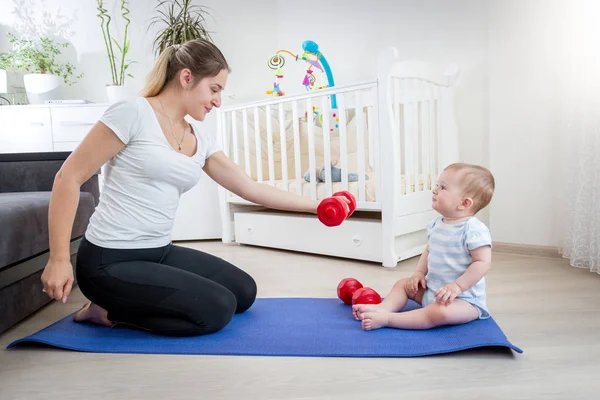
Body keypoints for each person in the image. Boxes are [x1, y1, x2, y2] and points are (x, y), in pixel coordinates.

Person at [40, 39, 348, 337]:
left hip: (158, 252)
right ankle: (107, 310)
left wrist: (317, 206)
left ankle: (122, 301)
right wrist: (58, 259)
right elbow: (69, 177)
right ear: (187, 77)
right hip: (108, 260)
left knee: (244, 291)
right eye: (214, 89)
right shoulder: (132, 113)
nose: (218, 100)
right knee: (217, 309)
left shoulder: (199, 138)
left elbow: (250, 188)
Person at [352, 163, 495, 331]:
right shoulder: (436, 224)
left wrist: (457, 287)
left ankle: (389, 319)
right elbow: (428, 251)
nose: (435, 190)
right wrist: (419, 274)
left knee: (439, 313)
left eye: (442, 187)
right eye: (437, 185)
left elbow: (482, 263)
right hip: (432, 292)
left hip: (463, 301)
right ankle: (382, 308)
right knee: (402, 284)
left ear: (464, 203)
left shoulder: (473, 229)